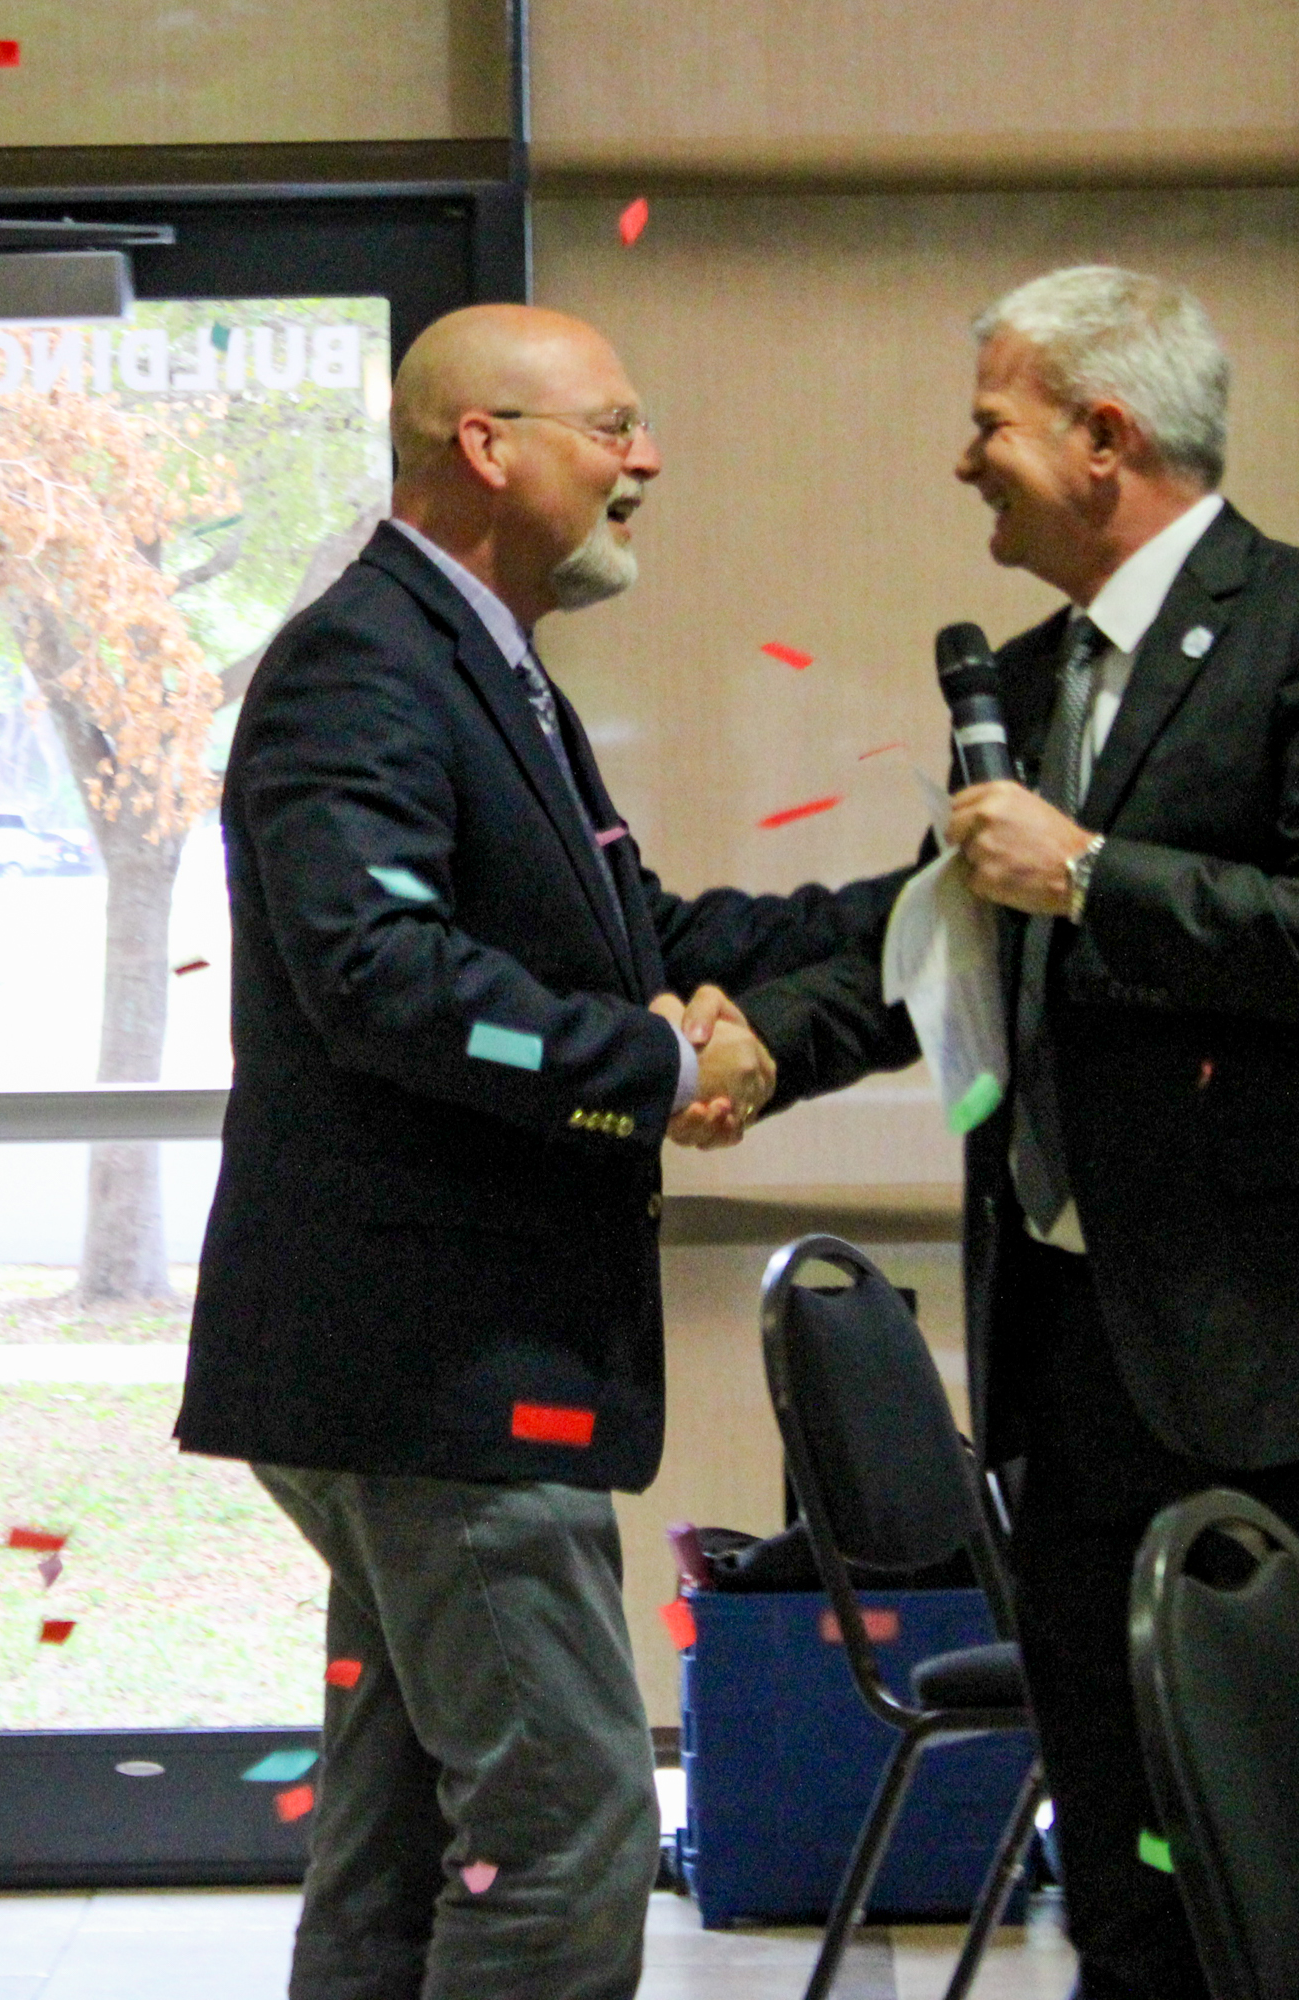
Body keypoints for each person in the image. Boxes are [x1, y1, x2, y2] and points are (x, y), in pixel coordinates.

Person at [732, 265, 1299, 2000]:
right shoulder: (1027, 684)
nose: (965, 461)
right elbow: (937, 937)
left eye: (990, 422)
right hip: (1086, 1363)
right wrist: (738, 1053)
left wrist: (1096, 874)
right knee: (1126, 1865)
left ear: (1102, 437)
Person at [174, 302, 907, 2000]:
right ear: (485, 447)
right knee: (567, 1820)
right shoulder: (367, 660)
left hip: (409, 1366)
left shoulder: (484, 663)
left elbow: (637, 937)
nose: (645, 461)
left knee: (414, 1826)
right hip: (431, 1368)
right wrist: (647, 1067)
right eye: (614, 427)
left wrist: (909, 922)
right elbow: (382, 979)